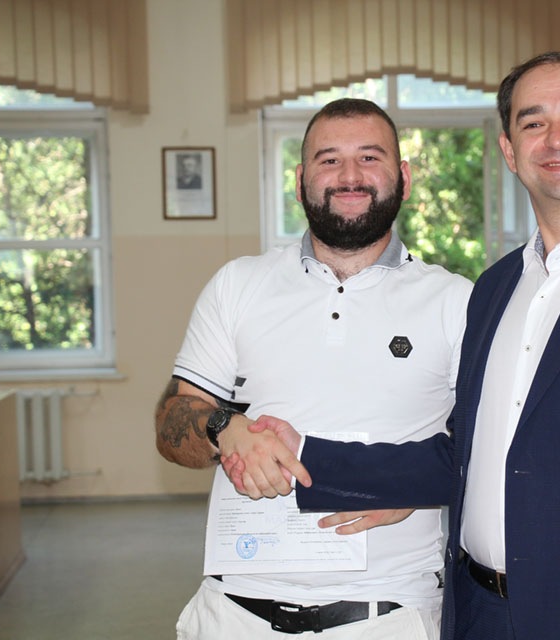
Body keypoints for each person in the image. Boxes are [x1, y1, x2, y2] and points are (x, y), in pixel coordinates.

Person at [231, 51, 560, 639]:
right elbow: (465, 453)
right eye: (533, 122)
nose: (556, 138)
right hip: (480, 614)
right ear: (509, 150)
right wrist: (305, 452)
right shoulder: (495, 288)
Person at [155, 98, 472, 639]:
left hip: (387, 618)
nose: (349, 176)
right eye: (329, 160)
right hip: (234, 614)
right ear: (300, 180)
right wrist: (223, 428)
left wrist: (415, 485)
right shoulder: (238, 284)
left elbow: (490, 452)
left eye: (369, 157)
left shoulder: (456, 301)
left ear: (403, 177)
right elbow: (172, 425)